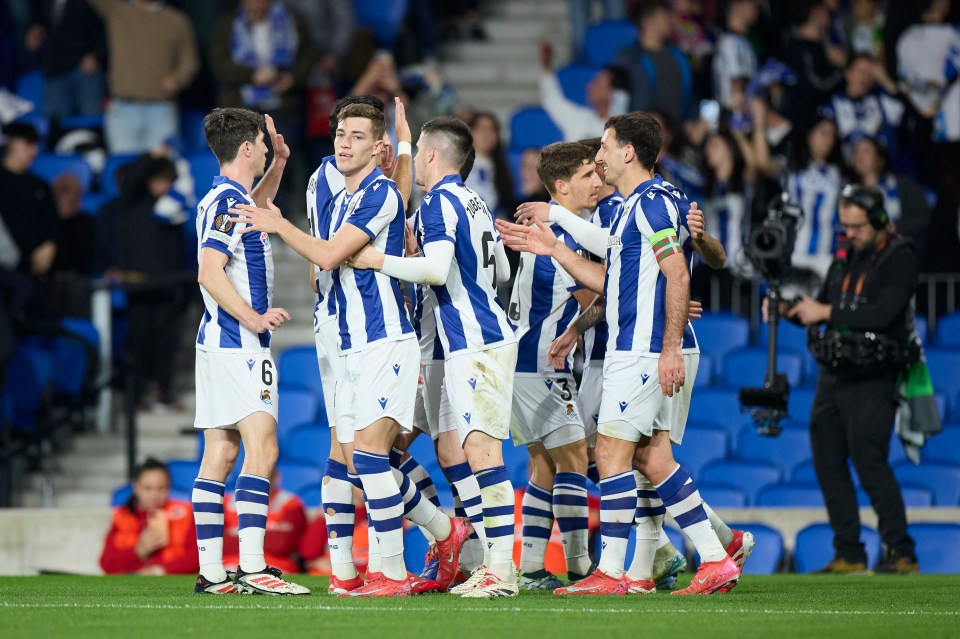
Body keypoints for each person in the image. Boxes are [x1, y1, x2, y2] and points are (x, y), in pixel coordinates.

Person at [496, 112, 743, 595]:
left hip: (642, 350)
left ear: (628, 152)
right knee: (649, 459)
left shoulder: (648, 206)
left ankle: (617, 571)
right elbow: (614, 278)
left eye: (606, 147)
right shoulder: (648, 202)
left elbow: (676, 273)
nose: (601, 155)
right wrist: (555, 245)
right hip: (639, 347)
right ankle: (709, 555)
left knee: (609, 453)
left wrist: (669, 348)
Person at [230, 104, 471, 597]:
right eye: (340, 133)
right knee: (346, 460)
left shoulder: (381, 194)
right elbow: (318, 261)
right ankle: (373, 563)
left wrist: (278, 225)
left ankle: (394, 570)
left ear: (377, 147)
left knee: (368, 458)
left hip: (383, 340)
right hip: (341, 338)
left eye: (357, 136)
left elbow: (325, 253)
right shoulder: (331, 184)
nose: (343, 143)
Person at [343, 115, 519, 598]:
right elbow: (501, 267)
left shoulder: (440, 201)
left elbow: (439, 270)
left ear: (432, 155)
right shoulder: (476, 200)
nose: (415, 157)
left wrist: (380, 260)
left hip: (474, 341)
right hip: (478, 336)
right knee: (451, 449)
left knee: (482, 453)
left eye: (417, 148)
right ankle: (481, 557)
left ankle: (500, 570)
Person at [189, 107, 308, 596]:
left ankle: (213, 572)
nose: (264, 148)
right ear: (244, 148)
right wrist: (253, 318)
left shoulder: (225, 198)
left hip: (217, 343)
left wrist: (279, 164)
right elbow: (209, 270)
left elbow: (253, 212)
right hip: (239, 345)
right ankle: (254, 565)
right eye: (262, 144)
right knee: (264, 448)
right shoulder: (226, 202)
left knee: (220, 452)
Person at [782, 184, 919, 574]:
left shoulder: (900, 256)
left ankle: (901, 551)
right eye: (845, 226)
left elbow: (883, 314)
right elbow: (824, 307)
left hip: (876, 373)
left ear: (878, 221)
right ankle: (850, 552)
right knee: (827, 459)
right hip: (837, 371)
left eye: (857, 226)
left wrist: (824, 311)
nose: (850, 234)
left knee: (868, 457)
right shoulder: (845, 258)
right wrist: (789, 309)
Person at [506, 142, 602, 590]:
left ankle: (529, 567)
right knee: (575, 460)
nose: (597, 181)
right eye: (587, 175)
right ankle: (581, 566)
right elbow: (598, 299)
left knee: (545, 465)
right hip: (540, 365)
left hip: (524, 362)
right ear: (561, 188)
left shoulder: (555, 234)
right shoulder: (561, 240)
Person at [115, 152, 191, 410]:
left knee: (166, 342)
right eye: (159, 180)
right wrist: (151, 155)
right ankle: (135, 396)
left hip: (167, 284)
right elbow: (132, 179)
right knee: (138, 342)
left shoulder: (172, 209)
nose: (164, 186)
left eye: (168, 180)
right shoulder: (132, 203)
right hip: (138, 285)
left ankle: (164, 392)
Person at [88, 0, 199, 153]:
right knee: (125, 170)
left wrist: (178, 79)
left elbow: (190, 61)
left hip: (161, 108)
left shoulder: (177, 20)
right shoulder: (118, 11)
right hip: (123, 107)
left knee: (161, 169)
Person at [99, 458, 198, 575]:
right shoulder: (123, 516)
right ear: (136, 487)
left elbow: (196, 558)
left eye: (161, 488)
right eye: (147, 488)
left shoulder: (184, 513)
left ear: (169, 487)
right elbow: (107, 565)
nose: (154, 495)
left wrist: (160, 570)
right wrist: (138, 551)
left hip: (171, 582)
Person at [26, 0, 106, 129]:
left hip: (85, 66)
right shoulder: (44, 3)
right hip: (55, 67)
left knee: (92, 120)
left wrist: (97, 55)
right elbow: (40, 20)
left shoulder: (91, 3)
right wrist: (36, 27)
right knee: (53, 124)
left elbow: (107, 27)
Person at [613, 0, 694, 125]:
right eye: (665, 16)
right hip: (642, 132)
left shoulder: (679, 56)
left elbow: (691, 94)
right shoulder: (628, 57)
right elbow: (618, 98)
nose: (671, 20)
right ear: (647, 21)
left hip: (676, 132)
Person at [784, 116, 844, 278]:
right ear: (810, 135)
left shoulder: (839, 174)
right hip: (797, 253)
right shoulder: (791, 168)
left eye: (832, 135)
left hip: (827, 255)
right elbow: (762, 163)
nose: (829, 140)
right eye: (824, 133)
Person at [848, 136, 932, 247]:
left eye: (866, 151)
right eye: (856, 151)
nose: (860, 156)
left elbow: (923, 217)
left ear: (880, 159)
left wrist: (896, 227)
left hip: (899, 252)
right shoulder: (849, 193)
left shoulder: (901, 184)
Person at [538, 43, 629, 141]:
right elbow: (553, 100)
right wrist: (546, 65)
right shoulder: (579, 119)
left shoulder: (625, 132)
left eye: (597, 83)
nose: (590, 86)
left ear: (613, 92)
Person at [222, 471, 308, 575]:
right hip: (230, 565)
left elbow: (282, 545)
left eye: (265, 477)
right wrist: (269, 534)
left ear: (276, 477)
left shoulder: (290, 503)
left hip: (276, 566)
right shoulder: (227, 501)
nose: (258, 484)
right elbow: (221, 544)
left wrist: (238, 535)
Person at [0, 123, 57, 278]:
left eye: (36, 145)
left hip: (39, 269)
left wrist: (50, 245)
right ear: (10, 143)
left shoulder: (40, 185)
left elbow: (52, 221)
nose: (34, 151)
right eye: (28, 144)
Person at [820, 53, 903, 160]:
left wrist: (884, 78)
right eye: (860, 71)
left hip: (884, 168)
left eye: (870, 73)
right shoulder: (831, 106)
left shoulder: (882, 101)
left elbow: (907, 105)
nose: (865, 77)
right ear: (848, 73)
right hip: (848, 171)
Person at [784, 0, 845, 133]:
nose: (831, 16)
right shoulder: (801, 48)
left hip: (825, 118)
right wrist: (843, 71)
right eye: (827, 11)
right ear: (816, 12)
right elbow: (814, 87)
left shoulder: (823, 47)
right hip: (808, 124)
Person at [465, 111, 514, 218]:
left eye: (492, 129)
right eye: (481, 129)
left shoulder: (501, 169)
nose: (487, 134)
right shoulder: (456, 164)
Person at [712, 0, 759, 111]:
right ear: (737, 6)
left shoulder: (743, 41)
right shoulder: (731, 42)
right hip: (737, 117)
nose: (757, 8)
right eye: (753, 4)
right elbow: (737, 88)